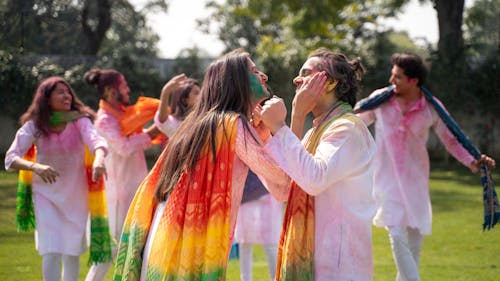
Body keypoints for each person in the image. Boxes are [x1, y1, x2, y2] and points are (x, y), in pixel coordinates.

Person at [113, 49, 291, 281]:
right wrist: (281, 126)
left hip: (166, 235)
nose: (264, 76)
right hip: (187, 244)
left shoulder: (200, 123)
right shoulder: (232, 126)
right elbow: (283, 185)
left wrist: (263, 134)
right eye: (255, 72)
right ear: (237, 82)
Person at [354, 52, 496, 281]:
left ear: (413, 80)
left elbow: (451, 138)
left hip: (416, 183)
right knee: (397, 235)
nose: (392, 81)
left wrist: (472, 161)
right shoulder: (380, 101)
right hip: (386, 182)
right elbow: (355, 123)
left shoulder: (431, 108)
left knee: (413, 246)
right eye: (392, 75)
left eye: (398, 77)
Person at [260, 48, 377, 281]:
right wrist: (284, 123)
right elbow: (285, 186)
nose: (296, 79)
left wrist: (285, 124)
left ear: (330, 83)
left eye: (305, 73)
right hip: (321, 256)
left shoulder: (347, 128)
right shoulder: (316, 131)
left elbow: (314, 179)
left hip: (341, 262)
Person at [4, 76, 108, 281]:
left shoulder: (79, 121)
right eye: (60, 92)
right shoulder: (35, 125)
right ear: (46, 98)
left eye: (68, 91)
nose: (66, 95)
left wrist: (99, 160)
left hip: (76, 198)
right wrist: (36, 167)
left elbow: (97, 141)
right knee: (50, 251)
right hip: (46, 196)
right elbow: (10, 158)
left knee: (71, 253)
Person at [83, 68, 160, 281]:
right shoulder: (104, 120)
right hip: (117, 198)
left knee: (138, 252)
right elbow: (124, 147)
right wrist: (154, 131)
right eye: (123, 85)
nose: (128, 90)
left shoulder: (124, 117)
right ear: (109, 91)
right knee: (109, 255)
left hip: (133, 193)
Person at [233, 169, 283, 281]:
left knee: (271, 245)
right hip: (245, 194)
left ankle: (277, 278)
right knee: (245, 244)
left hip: (266, 193)